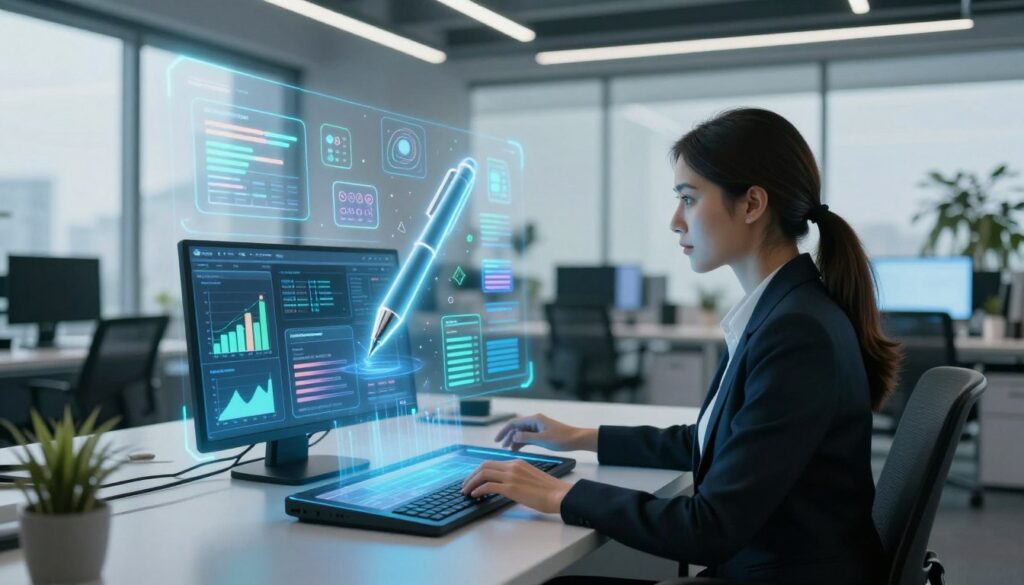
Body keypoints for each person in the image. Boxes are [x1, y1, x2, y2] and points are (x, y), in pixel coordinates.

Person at [461, 108, 902, 585]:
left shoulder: (797, 331)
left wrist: (560, 495)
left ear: (752, 204)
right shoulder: (784, 311)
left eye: (689, 199)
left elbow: (709, 528)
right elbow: (715, 443)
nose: (676, 221)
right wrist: (580, 437)